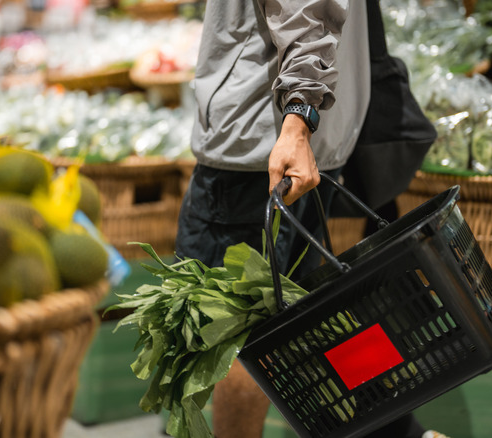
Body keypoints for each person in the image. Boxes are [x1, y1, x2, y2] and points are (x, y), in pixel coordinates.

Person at [175, 2, 448, 438]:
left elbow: (304, 9)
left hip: (262, 146)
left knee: (230, 334)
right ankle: (402, 433)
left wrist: (299, 116)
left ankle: (401, 433)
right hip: (304, 143)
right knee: (305, 318)